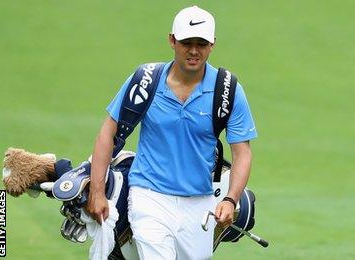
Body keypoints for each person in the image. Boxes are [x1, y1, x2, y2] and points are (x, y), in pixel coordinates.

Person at [85, 6, 257, 259]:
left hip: (200, 202)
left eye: (202, 43)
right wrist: (97, 192)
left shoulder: (228, 90)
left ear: (212, 45)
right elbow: (106, 134)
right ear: (172, 40)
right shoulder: (144, 81)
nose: (194, 50)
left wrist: (230, 199)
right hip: (149, 196)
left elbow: (242, 153)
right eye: (187, 42)